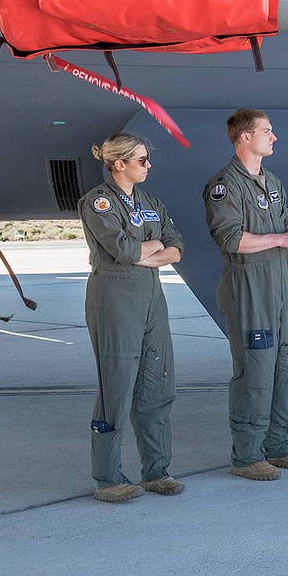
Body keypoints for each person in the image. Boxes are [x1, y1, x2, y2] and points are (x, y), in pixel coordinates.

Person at [204, 109, 288, 480]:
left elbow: (286, 215)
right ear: (245, 138)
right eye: (267, 131)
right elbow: (232, 238)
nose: (275, 137)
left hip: (280, 283)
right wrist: (282, 239)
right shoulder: (224, 186)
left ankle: (280, 446)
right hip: (249, 288)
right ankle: (247, 456)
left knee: (287, 362)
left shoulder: (272, 182)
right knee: (256, 369)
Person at [80, 133, 187, 499]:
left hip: (152, 297)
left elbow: (176, 248)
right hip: (114, 297)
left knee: (157, 384)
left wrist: (149, 250)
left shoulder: (151, 201)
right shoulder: (98, 202)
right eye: (142, 160)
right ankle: (108, 478)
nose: (148, 165)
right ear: (118, 163)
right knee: (117, 386)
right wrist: (148, 249)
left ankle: (157, 471)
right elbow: (122, 249)